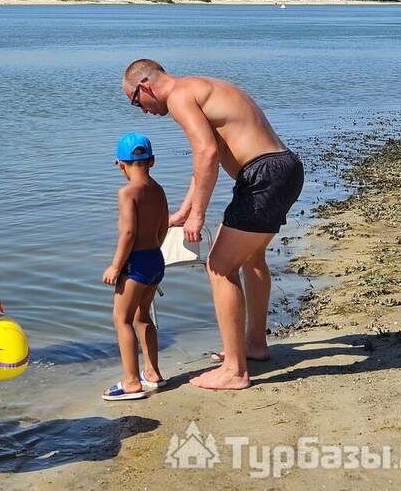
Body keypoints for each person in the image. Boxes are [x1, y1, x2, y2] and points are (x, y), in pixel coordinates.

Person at [122, 60, 304, 391]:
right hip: (283, 169)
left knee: (220, 267)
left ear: (145, 86)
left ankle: (234, 370)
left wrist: (198, 215)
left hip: (263, 176)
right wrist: (184, 210)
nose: (142, 110)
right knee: (251, 258)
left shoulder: (179, 95)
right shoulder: (202, 87)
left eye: (136, 102)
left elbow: (205, 153)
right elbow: (209, 160)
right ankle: (254, 344)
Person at [102, 132, 169, 401]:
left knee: (122, 319)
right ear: (152, 161)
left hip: (136, 263)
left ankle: (131, 382)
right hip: (155, 259)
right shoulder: (158, 190)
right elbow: (163, 226)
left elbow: (128, 233)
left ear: (120, 163)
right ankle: (152, 372)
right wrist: (154, 250)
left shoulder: (127, 192)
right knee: (143, 317)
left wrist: (116, 266)